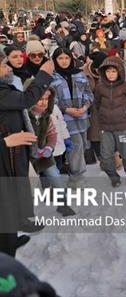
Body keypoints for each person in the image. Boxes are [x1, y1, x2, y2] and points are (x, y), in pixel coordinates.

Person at [0, 50, 55, 257]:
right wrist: (43, 75)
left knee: (17, 192)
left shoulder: (5, 86)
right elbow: (25, 99)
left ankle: (12, 236)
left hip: (14, 153)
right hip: (5, 154)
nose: (9, 68)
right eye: (4, 64)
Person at [24, 84, 75, 217]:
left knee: (55, 177)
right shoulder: (23, 115)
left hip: (43, 153)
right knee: (28, 185)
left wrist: (49, 147)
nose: (43, 102)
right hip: (25, 157)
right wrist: (31, 149)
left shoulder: (46, 116)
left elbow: (52, 134)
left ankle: (63, 205)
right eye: (40, 98)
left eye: (47, 99)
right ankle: (27, 215)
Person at [50, 47, 93, 186]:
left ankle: (74, 173)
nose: (64, 61)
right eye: (60, 58)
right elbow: (51, 99)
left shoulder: (79, 74)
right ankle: (77, 177)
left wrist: (84, 107)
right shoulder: (52, 76)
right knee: (76, 146)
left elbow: (88, 93)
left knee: (82, 145)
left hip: (82, 117)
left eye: (67, 58)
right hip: (65, 119)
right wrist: (67, 109)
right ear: (55, 60)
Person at [94, 56, 126, 187]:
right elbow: (97, 104)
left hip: (123, 127)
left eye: (113, 71)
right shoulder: (100, 87)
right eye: (108, 71)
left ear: (119, 72)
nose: (110, 74)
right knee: (106, 155)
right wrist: (103, 116)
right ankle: (113, 176)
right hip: (106, 128)